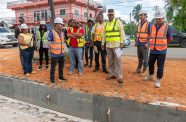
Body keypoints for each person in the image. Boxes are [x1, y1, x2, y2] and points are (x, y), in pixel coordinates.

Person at [143, 10, 173, 88]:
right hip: (153, 50)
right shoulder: (152, 26)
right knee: (150, 64)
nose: (158, 20)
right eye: (157, 19)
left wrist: (164, 44)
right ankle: (150, 75)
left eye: (159, 19)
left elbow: (170, 38)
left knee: (160, 66)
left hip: (162, 51)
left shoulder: (167, 27)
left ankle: (158, 80)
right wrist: (147, 43)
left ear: (163, 18)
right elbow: (150, 37)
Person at [102, 9, 125, 84]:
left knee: (118, 61)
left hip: (117, 46)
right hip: (108, 46)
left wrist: (122, 42)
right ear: (107, 15)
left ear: (114, 15)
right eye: (109, 14)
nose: (110, 16)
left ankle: (119, 76)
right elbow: (104, 34)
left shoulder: (118, 22)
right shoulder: (106, 24)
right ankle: (111, 74)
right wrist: (103, 43)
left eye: (111, 14)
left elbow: (122, 32)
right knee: (110, 60)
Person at [48, 17, 67, 83]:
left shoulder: (62, 33)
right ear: (56, 24)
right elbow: (49, 43)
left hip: (61, 53)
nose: (62, 25)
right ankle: (52, 79)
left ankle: (60, 77)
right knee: (53, 67)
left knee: (61, 67)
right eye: (61, 24)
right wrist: (50, 52)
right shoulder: (51, 32)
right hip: (54, 54)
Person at [135, 10, 151, 76]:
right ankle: (139, 68)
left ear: (145, 15)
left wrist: (147, 43)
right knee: (140, 57)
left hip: (145, 44)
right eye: (140, 15)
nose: (140, 16)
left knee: (145, 58)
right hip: (139, 43)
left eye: (142, 15)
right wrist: (136, 41)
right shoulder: (139, 24)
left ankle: (145, 70)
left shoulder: (149, 24)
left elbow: (151, 34)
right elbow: (137, 33)